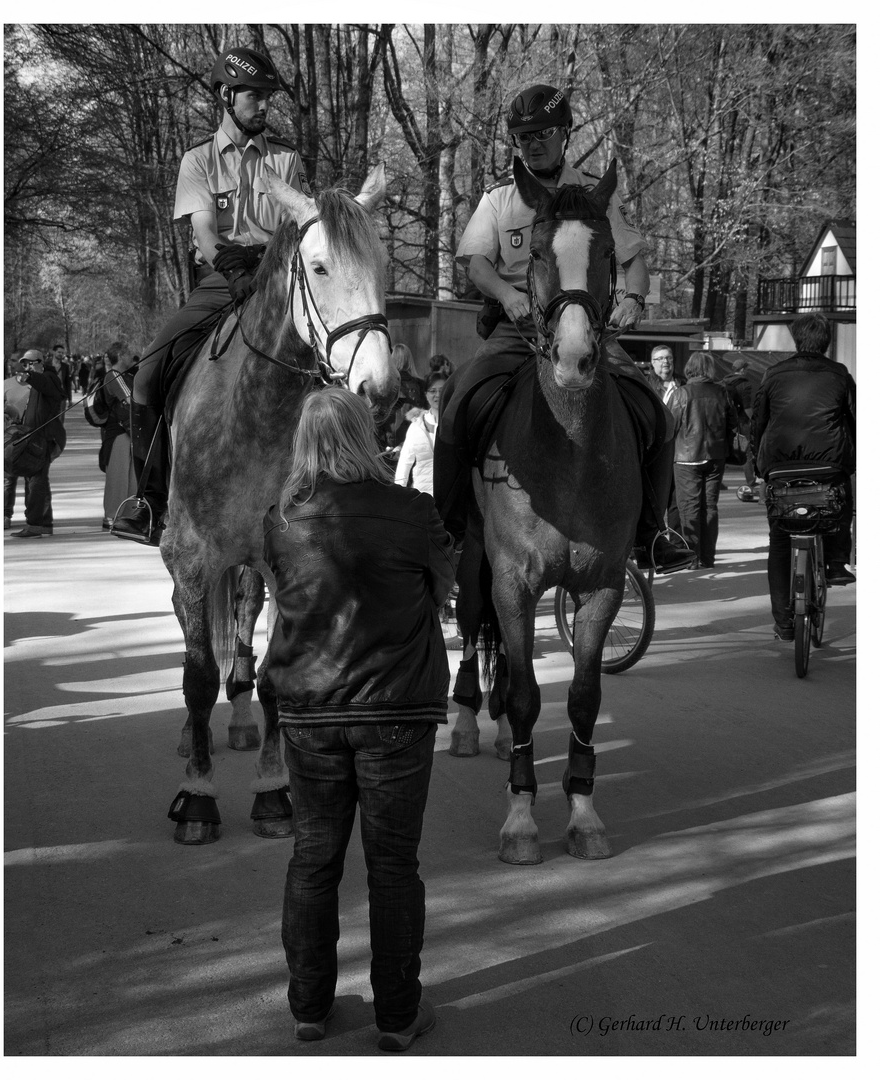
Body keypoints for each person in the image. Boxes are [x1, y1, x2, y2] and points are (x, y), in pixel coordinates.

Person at [262, 386, 456, 1051]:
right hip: (396, 707)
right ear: (365, 437)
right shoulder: (414, 511)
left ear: (304, 444)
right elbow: (440, 589)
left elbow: (283, 599)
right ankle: (398, 1014)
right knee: (394, 864)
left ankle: (309, 1006)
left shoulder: (280, 518)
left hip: (310, 710)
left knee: (313, 857)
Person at [436, 82, 694, 574]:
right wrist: (509, 295)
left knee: (655, 417)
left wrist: (635, 299)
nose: (531, 144)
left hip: (587, 330)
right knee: (458, 404)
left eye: (542, 133)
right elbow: (474, 263)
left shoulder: (597, 195)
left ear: (566, 134)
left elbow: (634, 261)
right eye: (522, 137)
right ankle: (445, 527)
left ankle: (652, 531)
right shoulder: (500, 200)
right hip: (520, 328)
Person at [113, 45, 311, 545]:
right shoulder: (197, 160)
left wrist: (268, 269)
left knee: (339, 362)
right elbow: (204, 231)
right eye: (254, 95)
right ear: (226, 95)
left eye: (268, 97)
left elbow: (297, 227)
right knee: (147, 375)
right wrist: (233, 267)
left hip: (278, 281)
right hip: (221, 279)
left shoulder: (286, 160)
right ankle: (149, 499)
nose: (264, 105)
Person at [750, 313, 856, 640]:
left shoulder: (773, 375)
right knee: (840, 504)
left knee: (780, 542)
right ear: (825, 342)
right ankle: (837, 562)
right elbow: (854, 420)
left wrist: (757, 463)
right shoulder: (840, 375)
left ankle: (784, 623)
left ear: (796, 340)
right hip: (829, 465)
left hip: (781, 467)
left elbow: (758, 422)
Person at [669, 352, 737, 569]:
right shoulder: (722, 392)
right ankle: (708, 557)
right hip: (715, 455)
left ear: (690, 369)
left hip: (686, 457)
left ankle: (691, 558)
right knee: (710, 507)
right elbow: (733, 424)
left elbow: (670, 427)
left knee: (689, 508)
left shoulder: (681, 393)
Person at [5, 349, 66, 538]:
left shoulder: (48, 377)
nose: (27, 367)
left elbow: (46, 385)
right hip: (35, 437)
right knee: (39, 480)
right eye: (25, 364)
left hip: (44, 438)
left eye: (31, 363)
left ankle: (34, 525)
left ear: (41, 362)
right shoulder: (39, 380)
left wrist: (30, 375)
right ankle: (44, 523)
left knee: (35, 482)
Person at [86, 342, 137, 528]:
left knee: (132, 476)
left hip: (129, 433)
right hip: (118, 434)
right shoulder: (114, 376)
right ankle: (112, 516)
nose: (132, 357)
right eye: (129, 353)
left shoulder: (126, 375)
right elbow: (131, 399)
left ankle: (129, 517)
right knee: (118, 476)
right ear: (121, 356)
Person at [395, 373, 446, 493]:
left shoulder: (455, 423)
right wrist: (398, 494)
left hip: (449, 497)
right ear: (426, 394)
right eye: (433, 391)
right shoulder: (416, 426)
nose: (437, 395)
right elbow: (405, 462)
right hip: (423, 497)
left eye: (442, 390)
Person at [721, 356, 757, 498]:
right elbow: (747, 407)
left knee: (723, 450)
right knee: (746, 451)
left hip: (725, 421)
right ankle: (751, 481)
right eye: (746, 369)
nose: (747, 371)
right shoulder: (745, 384)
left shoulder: (723, 382)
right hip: (741, 421)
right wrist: (754, 420)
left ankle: (718, 482)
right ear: (742, 370)